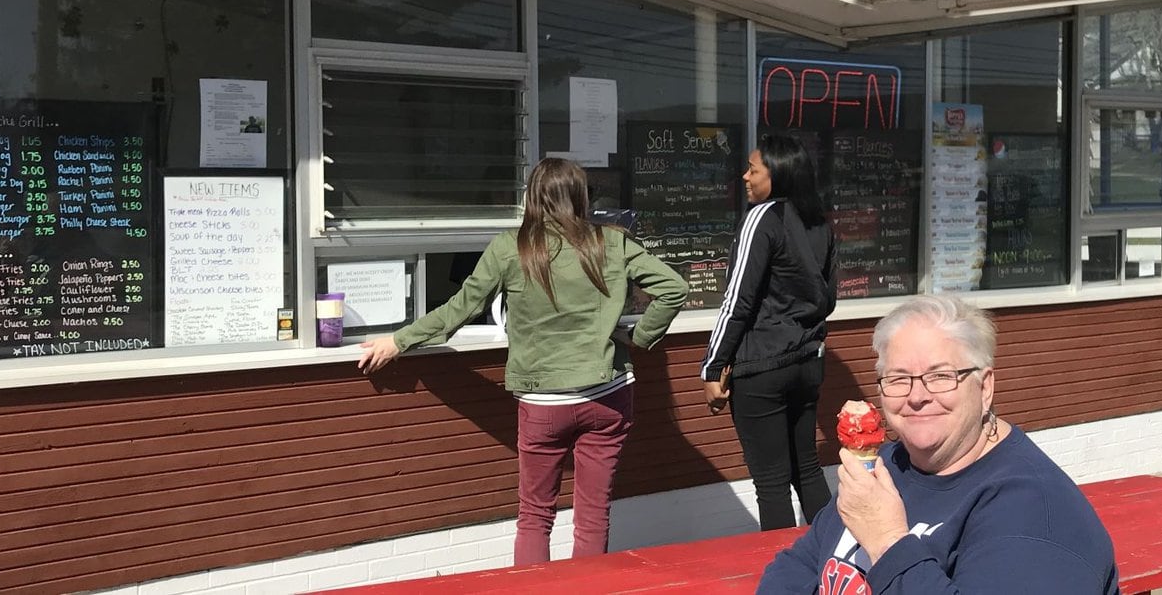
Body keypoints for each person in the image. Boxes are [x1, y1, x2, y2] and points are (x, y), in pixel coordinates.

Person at [358, 158, 688, 565]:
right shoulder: (612, 242)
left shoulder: (511, 247)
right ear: (581, 197)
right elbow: (674, 287)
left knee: (535, 515)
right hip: (607, 396)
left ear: (532, 198)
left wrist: (398, 340)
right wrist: (640, 337)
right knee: (593, 513)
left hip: (543, 403)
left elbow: (460, 309)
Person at [758, 295, 1121, 594]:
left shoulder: (1037, 513)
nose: (917, 396)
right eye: (899, 379)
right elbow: (798, 565)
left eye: (941, 376)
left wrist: (886, 541)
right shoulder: (887, 464)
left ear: (985, 386)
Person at [702, 132, 838, 530]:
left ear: (776, 174)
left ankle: (784, 578)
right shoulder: (820, 224)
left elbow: (737, 301)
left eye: (752, 169)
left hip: (763, 366)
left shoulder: (763, 217)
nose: (744, 176)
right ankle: (838, 562)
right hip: (808, 361)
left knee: (772, 482)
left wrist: (712, 368)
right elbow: (828, 299)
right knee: (807, 469)